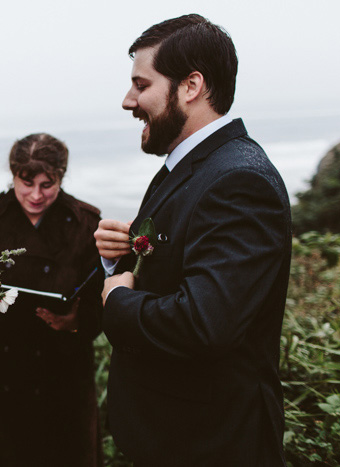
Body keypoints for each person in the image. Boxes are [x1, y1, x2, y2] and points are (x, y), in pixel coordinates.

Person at [94, 14, 290, 466]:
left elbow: (205, 322)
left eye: (141, 85)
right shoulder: (189, 169)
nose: (128, 101)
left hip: (210, 443)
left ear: (190, 86)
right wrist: (119, 260)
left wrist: (117, 301)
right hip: (171, 434)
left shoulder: (240, 180)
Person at [0, 133, 104, 467]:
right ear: (13, 174)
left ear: (61, 178)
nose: (35, 195)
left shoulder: (85, 223)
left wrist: (76, 322)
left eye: (47, 184)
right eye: (26, 182)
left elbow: (99, 300)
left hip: (62, 375)